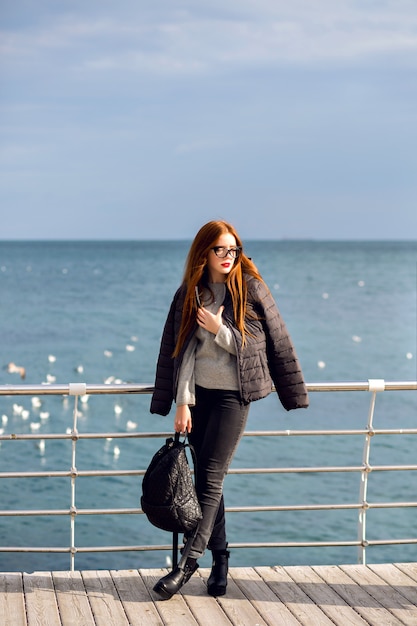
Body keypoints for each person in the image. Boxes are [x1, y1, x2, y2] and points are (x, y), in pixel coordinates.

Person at [150, 220, 309, 600]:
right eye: (220, 250)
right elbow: (182, 352)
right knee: (207, 478)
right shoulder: (189, 293)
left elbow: (259, 345)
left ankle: (187, 565)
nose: (228, 257)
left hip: (232, 398)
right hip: (199, 398)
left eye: (233, 249)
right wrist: (183, 401)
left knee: (211, 477)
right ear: (203, 252)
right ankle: (221, 559)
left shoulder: (250, 289)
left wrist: (221, 328)